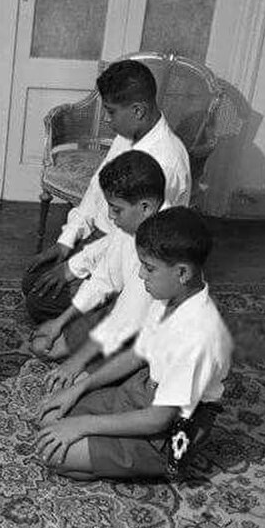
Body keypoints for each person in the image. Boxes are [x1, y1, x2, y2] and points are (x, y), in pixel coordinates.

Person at [37, 207, 232, 480]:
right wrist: (80, 387)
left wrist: (84, 425)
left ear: (182, 272)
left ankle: (156, 464)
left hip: (174, 428)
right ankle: (105, 456)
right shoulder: (170, 295)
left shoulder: (198, 335)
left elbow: (159, 419)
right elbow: (138, 354)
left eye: (149, 267)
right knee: (49, 420)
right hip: (146, 389)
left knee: (55, 454)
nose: (141, 275)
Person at [22, 60, 190, 323]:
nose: (105, 119)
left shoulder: (167, 163)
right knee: (32, 279)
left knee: (40, 300)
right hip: (102, 241)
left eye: (110, 112)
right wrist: (67, 241)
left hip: (130, 262)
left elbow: (131, 245)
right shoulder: (130, 133)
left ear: (138, 110)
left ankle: (114, 327)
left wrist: (73, 267)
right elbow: (95, 191)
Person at [30, 150, 165, 391]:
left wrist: (75, 362)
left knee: (58, 411)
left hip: (143, 342)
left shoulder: (161, 249)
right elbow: (103, 281)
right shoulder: (131, 229)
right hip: (123, 318)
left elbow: (128, 320)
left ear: (146, 207)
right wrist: (60, 323)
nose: (111, 218)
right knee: (45, 332)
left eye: (116, 210)